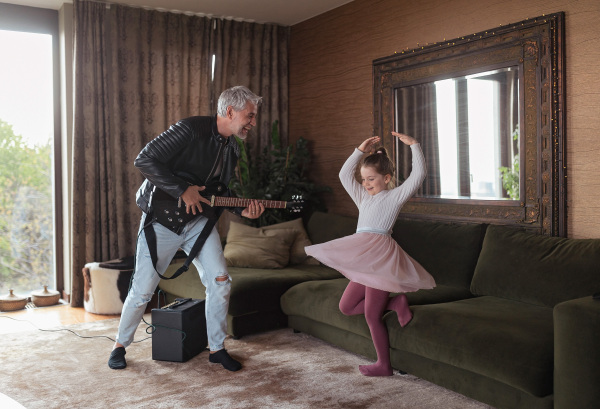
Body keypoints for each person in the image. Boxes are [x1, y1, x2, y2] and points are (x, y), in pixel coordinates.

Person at [108, 86, 265, 372]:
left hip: (199, 224)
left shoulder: (231, 150)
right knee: (143, 290)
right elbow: (144, 160)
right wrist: (183, 190)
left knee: (220, 281)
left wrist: (241, 208)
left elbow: (219, 191)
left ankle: (216, 348)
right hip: (162, 220)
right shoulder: (190, 129)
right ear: (230, 111)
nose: (253, 122)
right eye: (250, 115)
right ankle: (120, 345)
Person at [305, 132, 436, 377]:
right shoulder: (363, 197)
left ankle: (383, 364)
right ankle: (395, 302)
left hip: (380, 259)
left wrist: (415, 146)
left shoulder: (394, 197)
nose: (365, 183)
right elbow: (344, 175)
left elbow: (418, 175)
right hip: (363, 258)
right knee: (346, 306)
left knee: (371, 315)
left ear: (386, 178)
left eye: (371, 178)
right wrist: (358, 151)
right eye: (364, 179)